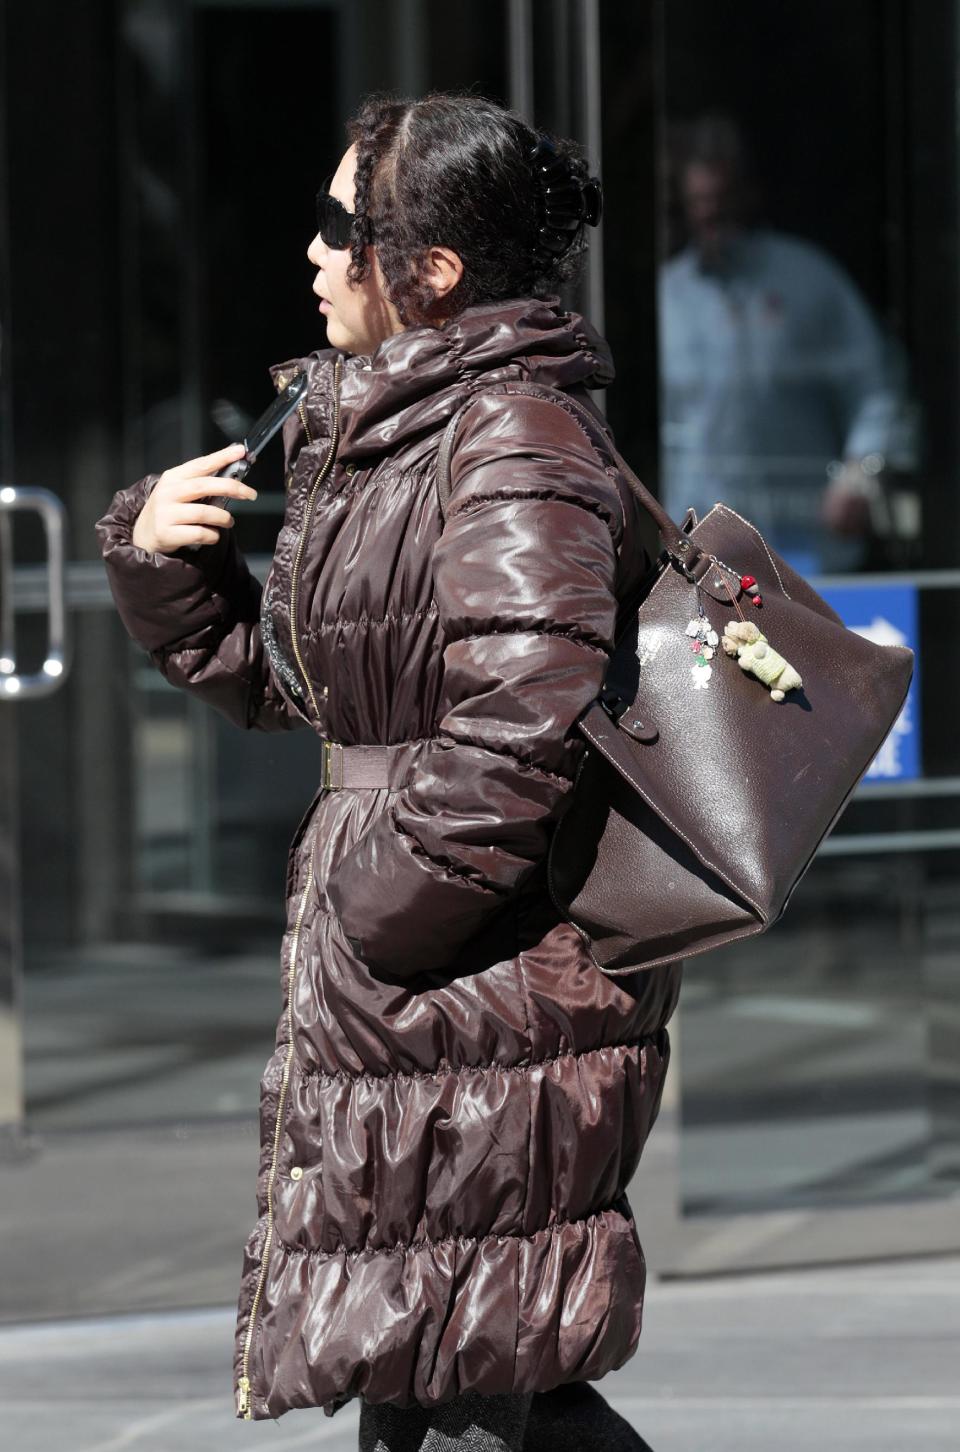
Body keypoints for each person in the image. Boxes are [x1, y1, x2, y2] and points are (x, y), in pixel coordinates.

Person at [95, 91, 678, 1451]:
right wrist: (161, 560)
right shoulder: (390, 430)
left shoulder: (510, 439)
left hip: (479, 986)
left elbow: (520, 722)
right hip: (429, 995)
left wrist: (378, 912)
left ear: (429, 271)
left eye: (335, 225)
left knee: (469, 1377)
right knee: (458, 1378)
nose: (308, 254)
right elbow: (306, 691)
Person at [659, 114, 918, 576]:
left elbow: (877, 385)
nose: (711, 217)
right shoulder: (667, 297)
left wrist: (862, 475)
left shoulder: (808, 280)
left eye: (721, 202)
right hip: (704, 561)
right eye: (699, 203)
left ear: (746, 194)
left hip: (809, 551)